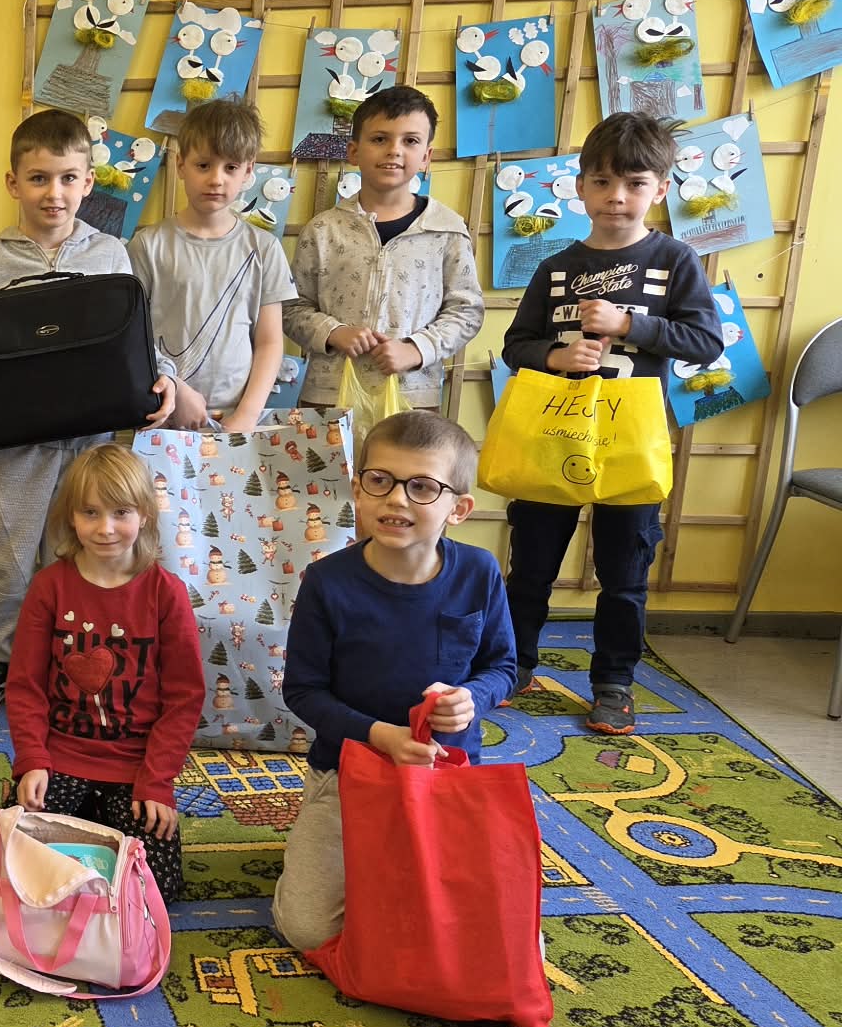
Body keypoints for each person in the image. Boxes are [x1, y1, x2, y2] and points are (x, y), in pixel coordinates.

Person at [0, 108, 179, 715]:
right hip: (17, 443)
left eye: (69, 178)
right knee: (11, 557)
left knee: (87, 550)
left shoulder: (111, 253)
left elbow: (140, 337)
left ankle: (75, 658)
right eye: (39, 178)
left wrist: (167, 378)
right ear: (13, 182)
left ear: (89, 182)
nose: (55, 193)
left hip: (94, 440)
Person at [499, 111, 723, 731]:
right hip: (553, 435)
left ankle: (614, 681)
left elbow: (706, 341)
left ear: (661, 189)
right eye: (601, 181)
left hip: (632, 444)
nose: (616, 196)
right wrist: (554, 356)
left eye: (634, 183)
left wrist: (630, 325)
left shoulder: (675, 259)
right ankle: (513, 664)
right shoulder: (556, 267)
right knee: (532, 563)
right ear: (579, 187)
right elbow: (515, 344)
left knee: (625, 573)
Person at [271, 411, 516, 951]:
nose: (397, 500)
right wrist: (380, 736)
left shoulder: (479, 572)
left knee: (494, 931)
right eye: (380, 480)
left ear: (458, 509)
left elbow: (503, 667)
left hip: (446, 776)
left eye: (422, 487)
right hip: (345, 774)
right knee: (308, 929)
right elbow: (303, 691)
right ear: (358, 489)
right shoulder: (327, 581)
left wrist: (472, 699)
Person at [8, 444, 203, 900]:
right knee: (19, 867)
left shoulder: (166, 593)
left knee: (154, 889)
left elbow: (184, 699)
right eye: (90, 512)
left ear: (145, 514)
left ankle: (98, 819)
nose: (106, 528)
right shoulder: (49, 587)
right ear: (71, 516)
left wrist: (157, 780)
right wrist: (32, 761)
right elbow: (25, 686)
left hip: (137, 766)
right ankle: (90, 819)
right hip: (60, 756)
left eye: (121, 512)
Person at [284, 85, 483, 413]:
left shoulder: (446, 230)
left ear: (426, 157)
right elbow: (291, 308)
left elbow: (467, 310)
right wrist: (334, 332)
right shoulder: (323, 230)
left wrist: (416, 349)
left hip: (412, 399)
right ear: (353, 151)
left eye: (410, 141)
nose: (394, 150)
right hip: (328, 397)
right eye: (379, 139)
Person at [129, 98, 294, 433]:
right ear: (181, 165)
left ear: (248, 171)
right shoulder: (148, 245)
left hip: (235, 419)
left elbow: (270, 342)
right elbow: (132, 339)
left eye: (230, 167)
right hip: (163, 414)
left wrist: (246, 415)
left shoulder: (264, 249)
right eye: (203, 165)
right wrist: (175, 390)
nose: (216, 179)